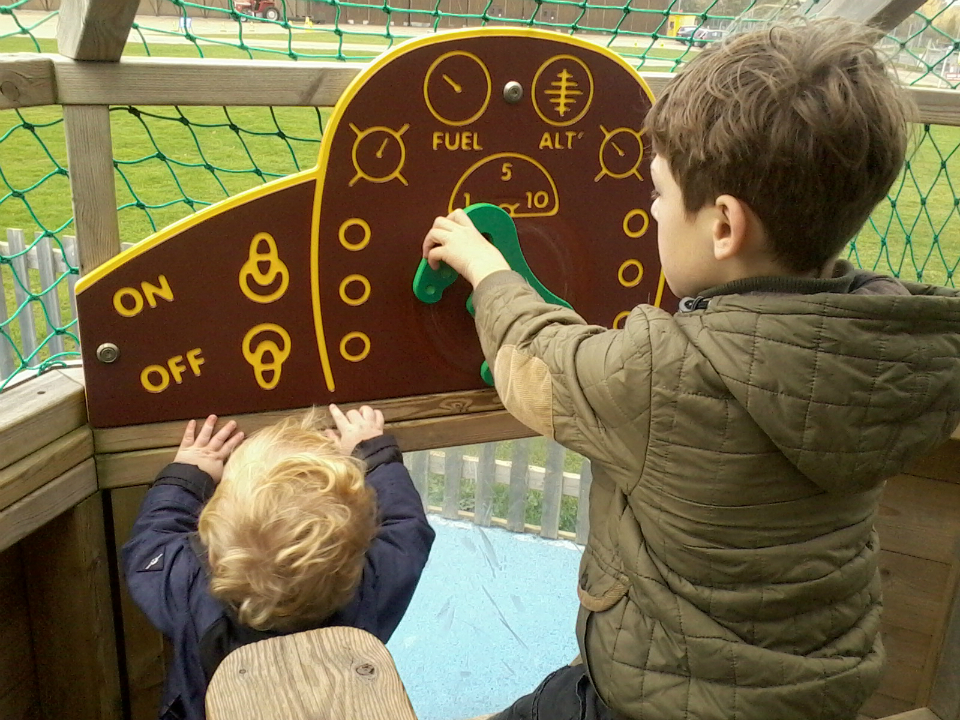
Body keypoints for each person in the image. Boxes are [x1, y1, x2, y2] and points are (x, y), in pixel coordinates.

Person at [423, 18, 960, 720]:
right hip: (814, 691)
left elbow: (544, 363)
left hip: (659, 698)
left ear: (724, 226)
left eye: (658, 195)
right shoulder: (891, 345)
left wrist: (487, 269)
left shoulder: (664, 376)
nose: (651, 210)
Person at [122, 405, 435, 720]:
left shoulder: (187, 589)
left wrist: (188, 475)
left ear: (211, 547)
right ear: (358, 542)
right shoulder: (370, 586)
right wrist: (373, 452)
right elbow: (407, 526)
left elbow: (151, 546)